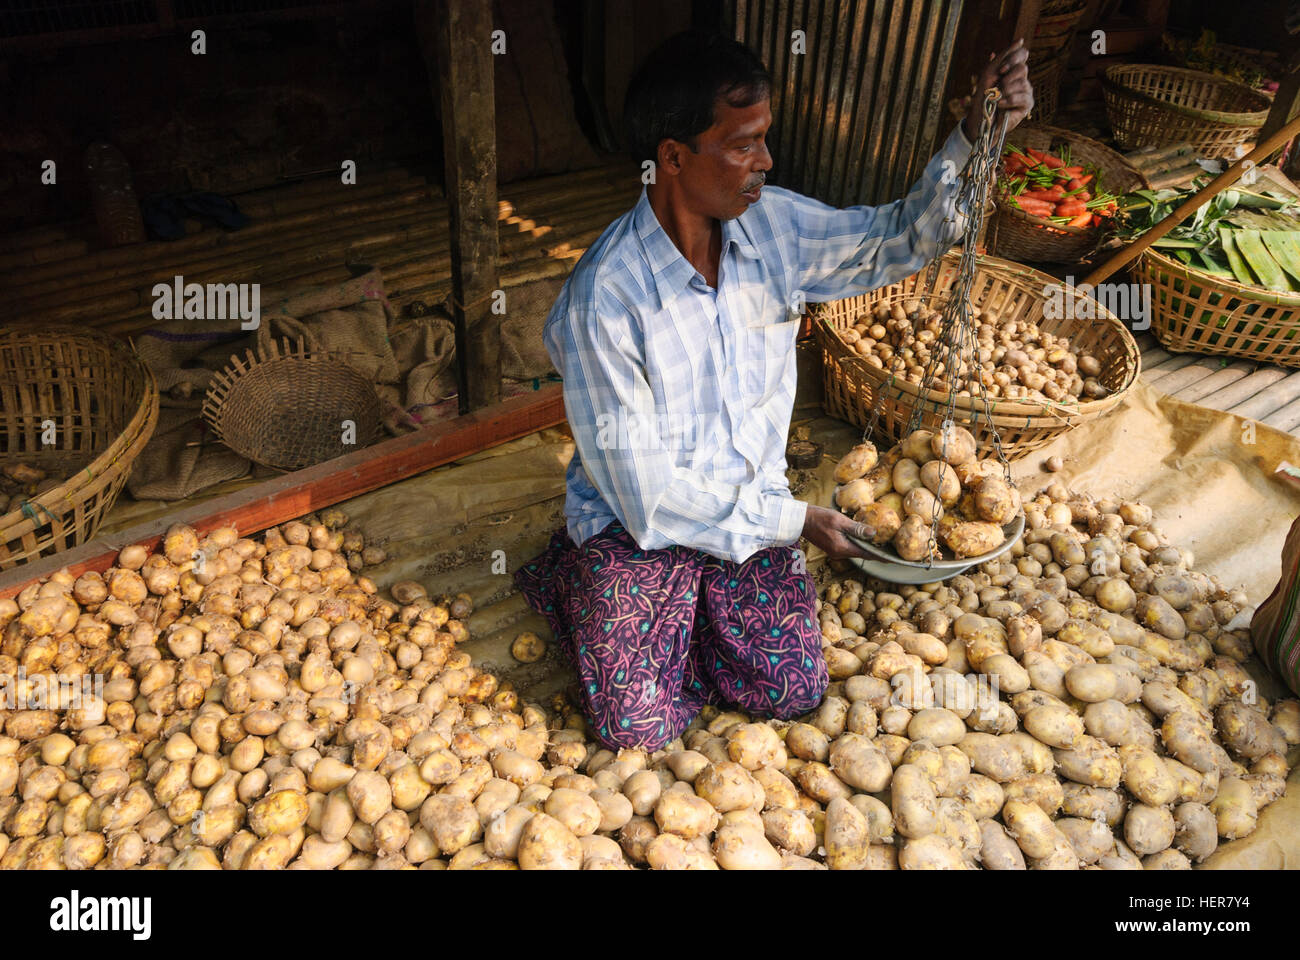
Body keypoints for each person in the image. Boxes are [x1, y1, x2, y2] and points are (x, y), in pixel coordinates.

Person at [515, 30, 1033, 751]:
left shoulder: (775, 226)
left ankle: (688, 617)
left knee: (788, 686)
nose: (765, 161)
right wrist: (797, 523)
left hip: (750, 509)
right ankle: (574, 574)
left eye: (765, 139)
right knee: (635, 725)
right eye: (743, 144)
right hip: (643, 525)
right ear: (671, 157)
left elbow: (900, 239)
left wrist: (977, 131)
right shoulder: (604, 301)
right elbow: (649, 497)